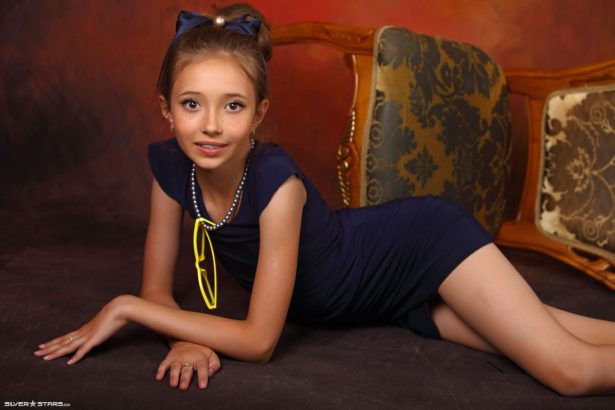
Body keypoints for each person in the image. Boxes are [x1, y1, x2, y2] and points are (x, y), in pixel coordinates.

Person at [34, 3, 615, 396]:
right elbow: (159, 287)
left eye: (233, 105)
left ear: (259, 113)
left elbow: (259, 341)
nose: (210, 125)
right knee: (567, 333)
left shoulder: (277, 183)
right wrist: (184, 337)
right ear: (165, 108)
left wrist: (127, 308)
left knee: (569, 371)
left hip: (417, 247)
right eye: (192, 104)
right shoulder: (168, 167)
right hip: (379, 303)